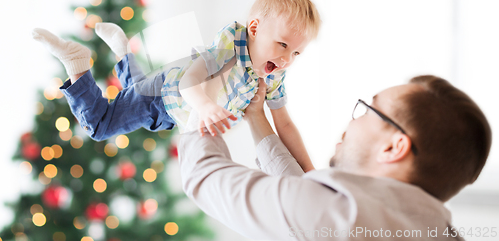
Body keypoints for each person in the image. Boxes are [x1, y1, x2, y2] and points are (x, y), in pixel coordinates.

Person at [32, 0, 321, 173]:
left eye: (296, 52)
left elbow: (284, 123)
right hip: (165, 96)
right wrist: (206, 106)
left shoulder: (272, 76)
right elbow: (188, 82)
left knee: (135, 90)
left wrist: (310, 172)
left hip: (172, 114)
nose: (287, 59)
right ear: (255, 29)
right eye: (282, 45)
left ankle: (122, 51)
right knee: (99, 125)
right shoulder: (230, 45)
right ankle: (77, 62)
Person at [178, 75, 492, 241]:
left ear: (394, 147)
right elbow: (303, 196)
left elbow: (204, 177)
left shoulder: (334, 218)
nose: (352, 121)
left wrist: (200, 102)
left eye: (369, 109)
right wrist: (257, 117)